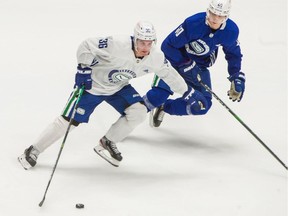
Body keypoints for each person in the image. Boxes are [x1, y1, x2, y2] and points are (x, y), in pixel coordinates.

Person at [18, 21, 200, 168]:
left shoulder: (156, 57)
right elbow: (87, 45)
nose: (146, 46)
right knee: (69, 122)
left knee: (138, 112)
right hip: (93, 86)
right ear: (135, 39)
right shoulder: (116, 44)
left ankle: (108, 141)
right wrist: (83, 68)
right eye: (142, 42)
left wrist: (187, 92)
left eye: (149, 42)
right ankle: (33, 150)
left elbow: (170, 75)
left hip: (119, 87)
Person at [143, 0, 246, 127]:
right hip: (174, 63)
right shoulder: (193, 23)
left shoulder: (230, 32)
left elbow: (233, 54)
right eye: (213, 13)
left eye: (220, 16)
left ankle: (164, 107)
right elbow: (167, 45)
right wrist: (184, 63)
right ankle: (128, 116)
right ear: (208, 11)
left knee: (202, 105)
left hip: (199, 68)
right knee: (156, 97)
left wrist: (236, 75)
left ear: (226, 16)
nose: (215, 19)